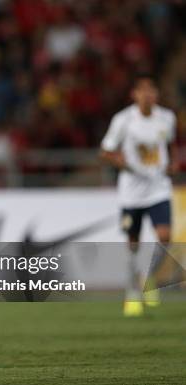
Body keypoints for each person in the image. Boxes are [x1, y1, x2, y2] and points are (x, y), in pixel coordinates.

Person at [100, 74, 178, 317]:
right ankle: (132, 292)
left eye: (151, 90)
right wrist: (119, 162)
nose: (147, 95)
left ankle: (149, 279)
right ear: (134, 95)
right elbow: (105, 151)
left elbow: (171, 143)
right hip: (131, 193)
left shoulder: (167, 117)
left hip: (158, 188)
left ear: (156, 94)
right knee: (132, 245)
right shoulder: (123, 120)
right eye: (142, 90)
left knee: (164, 237)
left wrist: (172, 163)